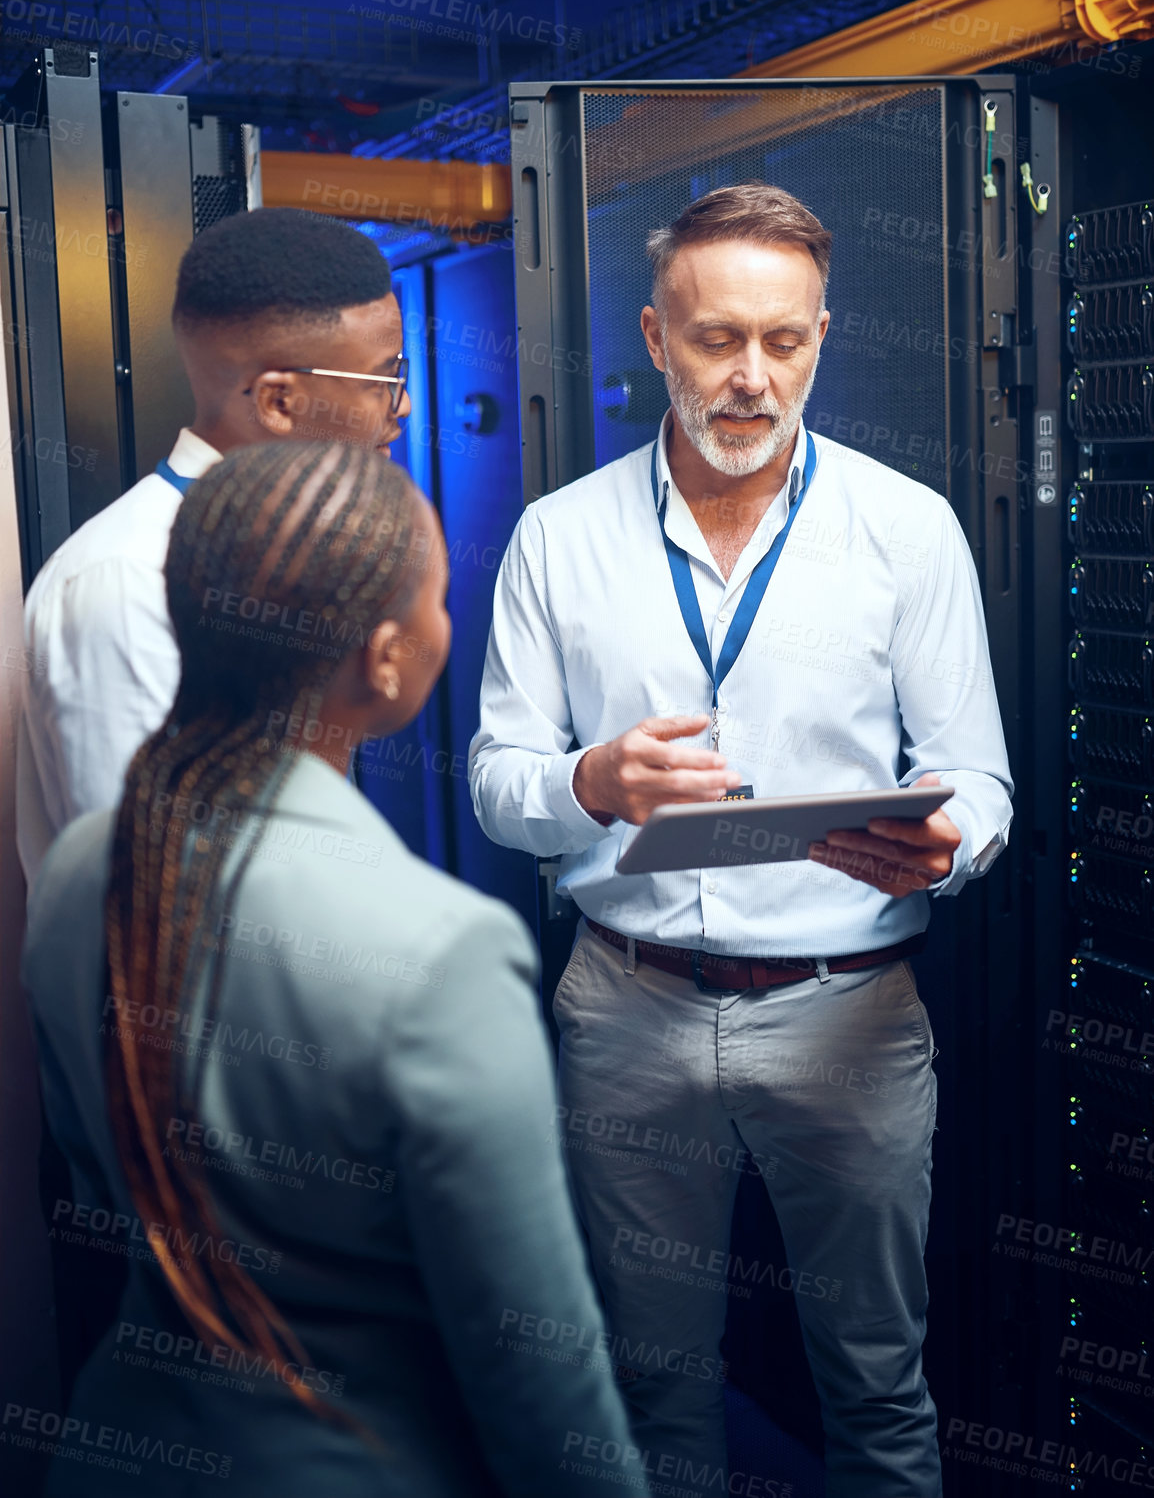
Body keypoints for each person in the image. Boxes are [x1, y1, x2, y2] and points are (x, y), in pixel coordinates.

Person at [469, 182, 1014, 1498]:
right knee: (655, 1384)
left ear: (821, 334)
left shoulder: (905, 530)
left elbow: (978, 775)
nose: (751, 378)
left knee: (876, 1383)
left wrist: (949, 842)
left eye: (784, 342)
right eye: (716, 339)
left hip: (850, 1020)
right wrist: (592, 782)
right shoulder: (556, 537)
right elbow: (495, 782)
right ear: (656, 338)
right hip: (627, 1007)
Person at [22, 440, 647, 1498]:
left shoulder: (82, 866)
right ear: (389, 658)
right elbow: (536, 1365)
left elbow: (96, 1166)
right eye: (443, 596)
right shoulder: (441, 949)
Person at [17, 204, 412, 888]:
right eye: (385, 380)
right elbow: (158, 898)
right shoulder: (128, 581)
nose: (401, 408)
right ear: (279, 402)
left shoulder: (289, 558)